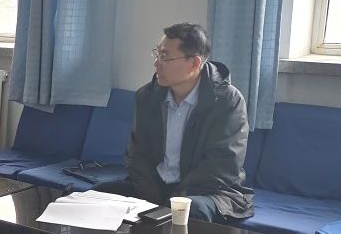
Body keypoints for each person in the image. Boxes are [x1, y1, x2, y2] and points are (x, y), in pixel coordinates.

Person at [101, 22, 252, 223]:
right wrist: (153, 197)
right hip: (153, 187)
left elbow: (221, 166)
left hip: (210, 192)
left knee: (185, 210)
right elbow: (136, 155)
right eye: (157, 54)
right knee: (96, 198)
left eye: (165, 57)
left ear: (194, 63)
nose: (157, 64)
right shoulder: (147, 96)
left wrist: (173, 200)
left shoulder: (227, 101)